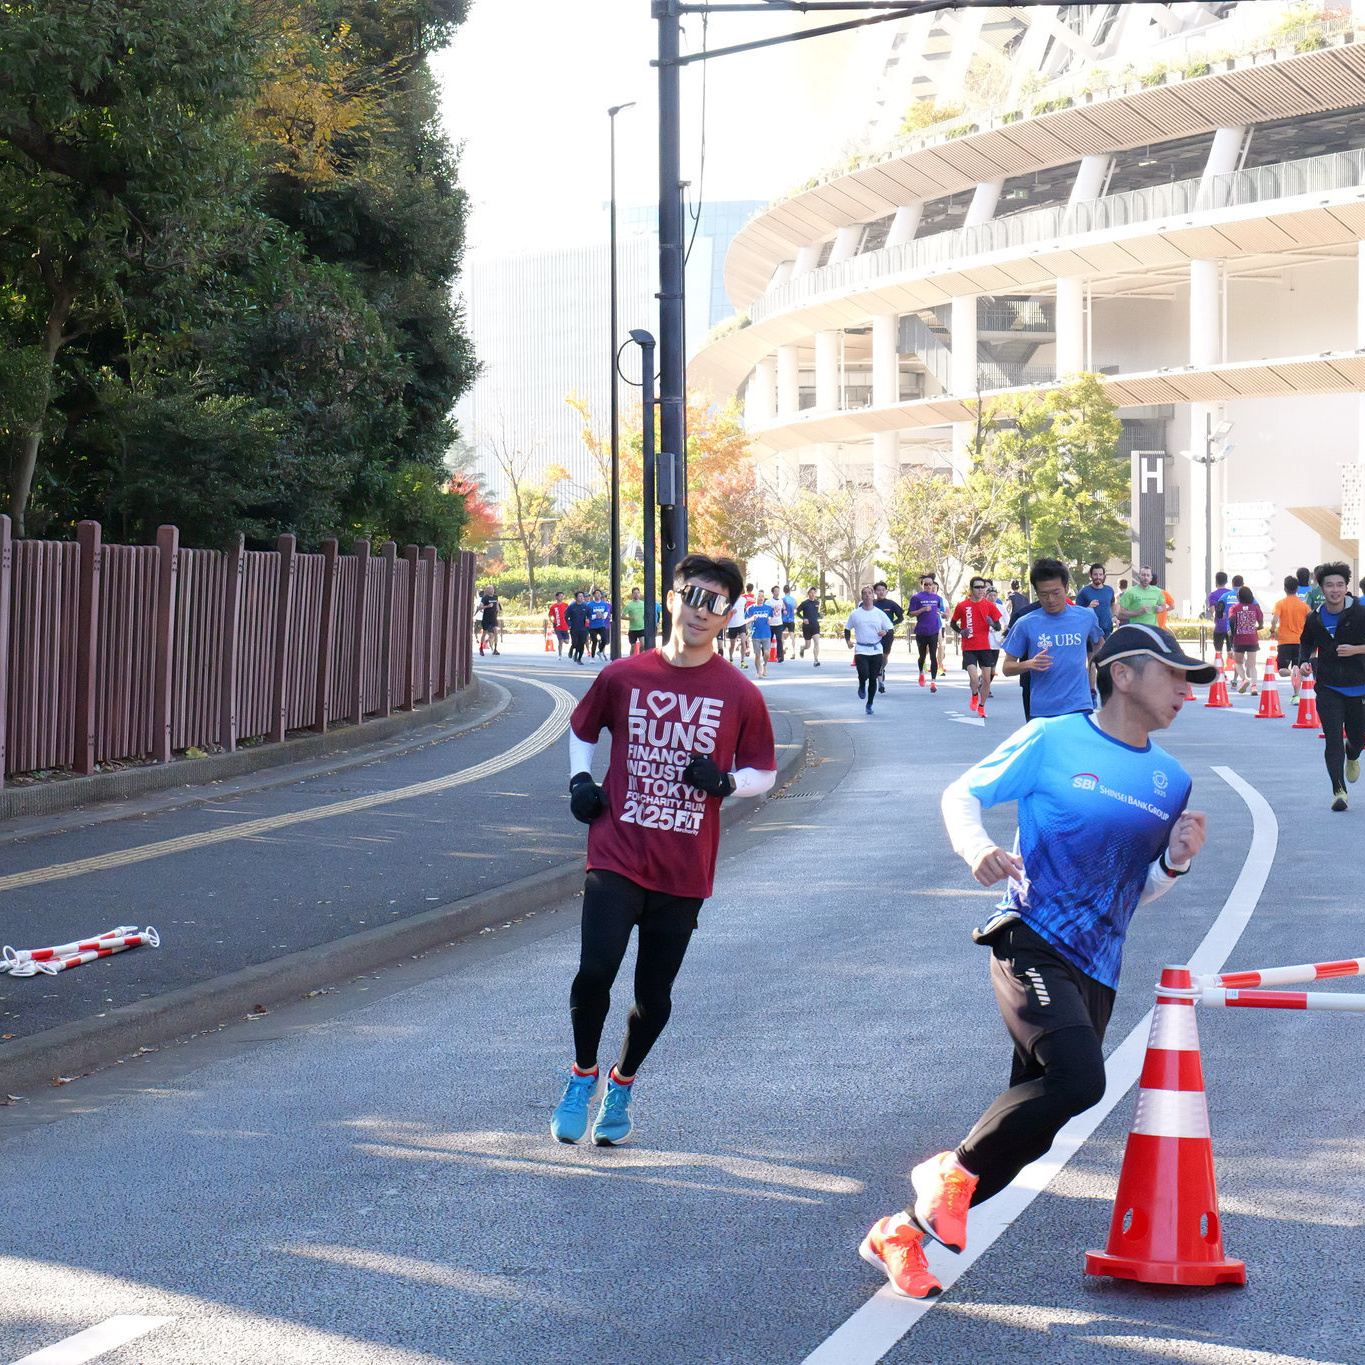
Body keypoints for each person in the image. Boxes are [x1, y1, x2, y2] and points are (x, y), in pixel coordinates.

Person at [858, 624, 1212, 1299]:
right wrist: (977, 849)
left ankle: (899, 1232)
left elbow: (1135, 889)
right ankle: (944, 1174)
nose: (1184, 690)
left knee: (1032, 1131)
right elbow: (961, 793)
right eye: (1172, 674)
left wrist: (1174, 862)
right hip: (1030, 936)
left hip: (1098, 964)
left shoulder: (1172, 780)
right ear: (1122, 674)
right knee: (1079, 1081)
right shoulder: (1052, 738)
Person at [552, 554, 776, 1146]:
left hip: (684, 865)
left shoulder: (739, 693)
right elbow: (582, 728)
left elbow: (764, 771)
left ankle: (621, 1083)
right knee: (595, 970)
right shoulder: (623, 675)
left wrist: (726, 782)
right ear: (673, 599)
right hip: (617, 849)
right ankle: (582, 1074)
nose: (702, 612)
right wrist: (580, 781)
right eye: (694, 597)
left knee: (652, 996)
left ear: (729, 616)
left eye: (717, 604)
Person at [1299, 562, 1365, 812]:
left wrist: (1356, 650)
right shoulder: (1314, 617)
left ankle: (1354, 753)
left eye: (1339, 585)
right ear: (1321, 589)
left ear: (1346, 587)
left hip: (1359, 686)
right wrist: (1304, 662)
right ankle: (1339, 791)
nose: (1335, 590)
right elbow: (1306, 643)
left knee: (1356, 739)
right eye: (1329, 585)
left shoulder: (1359, 613)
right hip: (1328, 687)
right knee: (1333, 739)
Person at [1001, 559, 1103, 719]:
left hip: (1080, 705)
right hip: (1043, 710)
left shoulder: (1086, 616)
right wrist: (1029, 664)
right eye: (1043, 594)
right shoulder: (1025, 623)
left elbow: (1100, 645)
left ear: (1066, 588)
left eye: (1056, 593)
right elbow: (1007, 668)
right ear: (1037, 592)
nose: (1050, 599)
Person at [951, 577, 1003, 718]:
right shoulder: (962, 606)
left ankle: (982, 706)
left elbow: (998, 627)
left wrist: (992, 623)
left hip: (985, 647)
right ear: (971, 589)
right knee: (974, 679)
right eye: (977, 587)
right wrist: (961, 631)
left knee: (986, 680)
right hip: (969, 647)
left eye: (982, 587)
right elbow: (953, 623)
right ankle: (974, 694)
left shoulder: (990, 605)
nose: (980, 590)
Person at [845, 585, 893, 715]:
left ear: (873, 596)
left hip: (876, 649)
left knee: (873, 677)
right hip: (861, 648)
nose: (867, 595)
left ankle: (870, 703)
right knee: (864, 673)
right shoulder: (855, 614)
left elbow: (889, 629)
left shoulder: (879, 614)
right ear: (862, 596)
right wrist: (848, 641)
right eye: (864, 593)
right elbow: (847, 628)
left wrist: (885, 632)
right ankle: (861, 684)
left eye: (869, 593)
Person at [1270, 574, 1309, 699]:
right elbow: (1310, 621)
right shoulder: (1303, 605)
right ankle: (1296, 694)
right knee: (1298, 667)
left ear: (1285, 588)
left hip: (1284, 641)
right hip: (1300, 641)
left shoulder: (1280, 604)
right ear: (1297, 589)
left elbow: (1274, 619)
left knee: (1282, 670)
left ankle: (1292, 672)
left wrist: (1272, 630)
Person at [907, 573, 946, 691]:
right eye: (926, 584)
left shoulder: (937, 598)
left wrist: (943, 614)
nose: (929, 586)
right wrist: (923, 609)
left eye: (930, 584)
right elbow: (910, 613)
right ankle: (921, 673)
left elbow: (941, 610)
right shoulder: (916, 597)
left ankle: (933, 681)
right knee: (923, 655)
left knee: (933, 655)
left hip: (934, 629)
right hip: (921, 630)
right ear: (922, 585)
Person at [1227, 585, 1263, 694]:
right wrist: (1260, 626)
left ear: (1238, 597)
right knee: (1252, 665)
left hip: (1239, 638)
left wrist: (1233, 632)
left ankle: (1244, 679)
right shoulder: (1255, 607)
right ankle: (1254, 686)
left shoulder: (1234, 607)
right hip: (1252, 638)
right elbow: (1260, 619)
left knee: (1238, 663)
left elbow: (1231, 620)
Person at [872, 581, 905, 694]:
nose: (881, 592)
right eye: (878, 590)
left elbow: (901, 617)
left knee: (884, 656)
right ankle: (880, 682)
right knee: (877, 656)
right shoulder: (872, 604)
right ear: (875, 592)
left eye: (883, 590)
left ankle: (882, 669)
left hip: (888, 634)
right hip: (875, 634)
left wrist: (891, 624)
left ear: (886, 591)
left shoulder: (891, 604)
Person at [1074, 565, 1114, 638]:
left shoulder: (1109, 590)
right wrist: (1089, 607)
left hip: (1107, 630)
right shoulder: (1084, 591)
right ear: (1090, 575)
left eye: (1100, 574)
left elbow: (1113, 604)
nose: (1098, 577)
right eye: (1095, 574)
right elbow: (1077, 612)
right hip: (1091, 631)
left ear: (1103, 575)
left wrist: (1114, 616)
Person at [746, 589, 773, 679]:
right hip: (756, 634)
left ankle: (764, 665)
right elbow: (745, 620)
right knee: (757, 655)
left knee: (767, 653)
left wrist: (770, 620)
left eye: (762, 596)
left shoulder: (768, 608)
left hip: (766, 634)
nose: (761, 598)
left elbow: (771, 617)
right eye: (759, 596)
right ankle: (758, 671)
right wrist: (751, 619)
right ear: (755, 598)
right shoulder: (751, 608)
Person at [797, 587, 822, 666]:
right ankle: (802, 648)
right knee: (808, 645)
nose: (812, 594)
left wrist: (820, 615)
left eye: (814, 592)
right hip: (807, 626)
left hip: (815, 625)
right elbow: (797, 612)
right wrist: (803, 619)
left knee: (816, 642)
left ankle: (815, 660)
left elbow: (815, 613)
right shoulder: (804, 603)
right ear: (808, 594)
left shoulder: (817, 602)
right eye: (811, 592)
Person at [725, 589, 750, 668]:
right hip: (732, 625)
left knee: (743, 642)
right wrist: (731, 611)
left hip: (741, 623)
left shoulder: (743, 599)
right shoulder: (729, 600)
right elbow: (724, 610)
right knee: (732, 644)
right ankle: (731, 659)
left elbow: (745, 608)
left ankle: (742, 661)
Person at [565, 590, 592, 665]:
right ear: (576, 597)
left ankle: (579, 658)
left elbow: (589, 615)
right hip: (574, 628)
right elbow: (566, 617)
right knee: (575, 643)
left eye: (582, 596)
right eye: (579, 596)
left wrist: (588, 619)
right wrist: (569, 624)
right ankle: (572, 649)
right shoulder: (571, 607)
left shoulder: (586, 607)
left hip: (583, 628)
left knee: (582, 643)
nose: (581, 598)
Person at [588, 589, 612, 660]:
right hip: (592, 626)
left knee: (605, 639)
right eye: (596, 593)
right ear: (593, 595)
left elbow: (605, 615)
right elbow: (588, 616)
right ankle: (592, 657)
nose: (598, 595)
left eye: (599, 594)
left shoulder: (604, 604)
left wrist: (601, 615)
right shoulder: (590, 604)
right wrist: (596, 615)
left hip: (601, 625)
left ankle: (600, 651)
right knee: (594, 641)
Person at [478, 586, 501, 656]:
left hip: (493, 617)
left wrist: (498, 608)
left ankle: (495, 649)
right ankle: (481, 648)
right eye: (490, 589)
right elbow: (480, 607)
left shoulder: (495, 597)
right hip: (486, 617)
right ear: (487, 590)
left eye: (492, 589)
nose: (492, 590)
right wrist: (487, 606)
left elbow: (497, 605)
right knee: (484, 633)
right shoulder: (485, 598)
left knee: (496, 632)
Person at [768, 586, 788, 663]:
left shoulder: (781, 600)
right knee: (768, 640)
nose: (777, 593)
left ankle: (780, 656)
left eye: (778, 591)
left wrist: (784, 611)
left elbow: (783, 608)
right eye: (776, 591)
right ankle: (766, 654)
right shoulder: (769, 601)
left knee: (779, 640)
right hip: (771, 624)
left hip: (779, 623)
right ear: (773, 592)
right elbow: (766, 610)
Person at [547, 592, 570, 659]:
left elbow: (569, 614)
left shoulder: (566, 605)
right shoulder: (553, 606)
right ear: (556, 597)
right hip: (558, 626)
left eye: (562, 596)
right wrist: (553, 622)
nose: (561, 598)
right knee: (560, 641)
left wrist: (569, 623)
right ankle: (560, 655)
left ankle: (564, 641)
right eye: (560, 596)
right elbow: (550, 616)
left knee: (567, 641)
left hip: (565, 626)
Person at [624, 587, 647, 654]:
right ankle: (631, 658)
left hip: (642, 628)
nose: (636, 594)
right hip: (633, 629)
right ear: (632, 594)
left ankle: (640, 657)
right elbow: (622, 616)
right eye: (634, 593)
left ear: (639, 594)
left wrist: (646, 616)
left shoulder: (643, 603)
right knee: (633, 646)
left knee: (643, 643)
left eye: (638, 593)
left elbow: (647, 613)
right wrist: (631, 618)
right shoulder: (629, 605)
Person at [782, 585, 798, 656]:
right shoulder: (793, 600)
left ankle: (784, 645)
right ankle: (793, 651)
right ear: (790, 591)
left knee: (780, 634)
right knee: (792, 635)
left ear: (783, 591)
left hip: (783, 619)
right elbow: (796, 608)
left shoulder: (782, 599)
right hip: (791, 619)